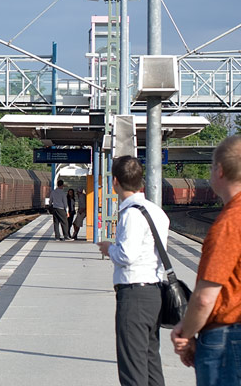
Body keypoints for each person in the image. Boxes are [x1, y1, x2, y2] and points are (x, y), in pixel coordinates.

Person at [170, 135, 241, 385]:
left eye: (211, 167)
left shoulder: (230, 223)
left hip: (226, 339)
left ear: (220, 171)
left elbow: (204, 298)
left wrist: (185, 334)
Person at [97, 156, 169, 386]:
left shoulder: (131, 214)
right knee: (150, 362)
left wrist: (109, 249)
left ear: (115, 181)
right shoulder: (156, 211)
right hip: (154, 292)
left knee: (132, 368)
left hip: (134, 295)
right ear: (141, 182)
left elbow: (127, 255)